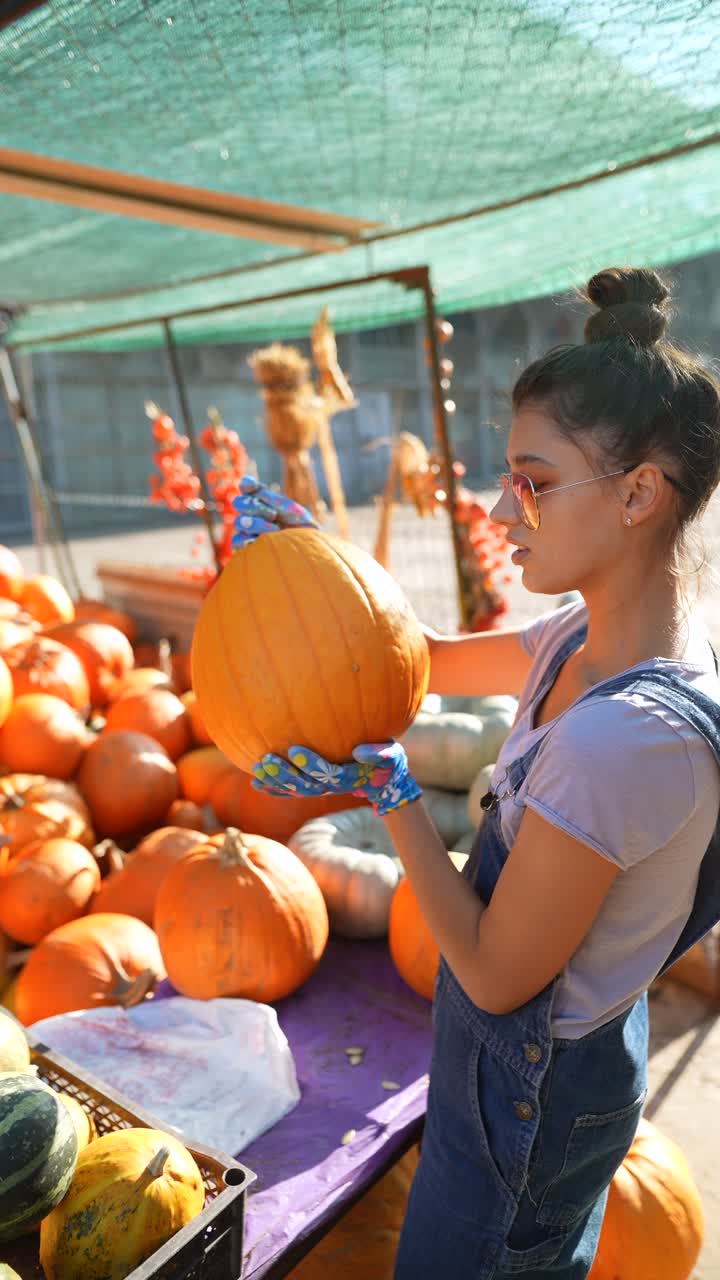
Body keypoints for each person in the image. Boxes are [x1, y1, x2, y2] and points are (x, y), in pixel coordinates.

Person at [232, 266, 720, 1279]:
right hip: (545, 1073)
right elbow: (418, 657)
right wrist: (305, 562)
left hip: (529, 1094)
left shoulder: (619, 741)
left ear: (637, 492)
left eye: (532, 480)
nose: (503, 505)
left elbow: (498, 975)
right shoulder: (581, 637)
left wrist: (393, 798)